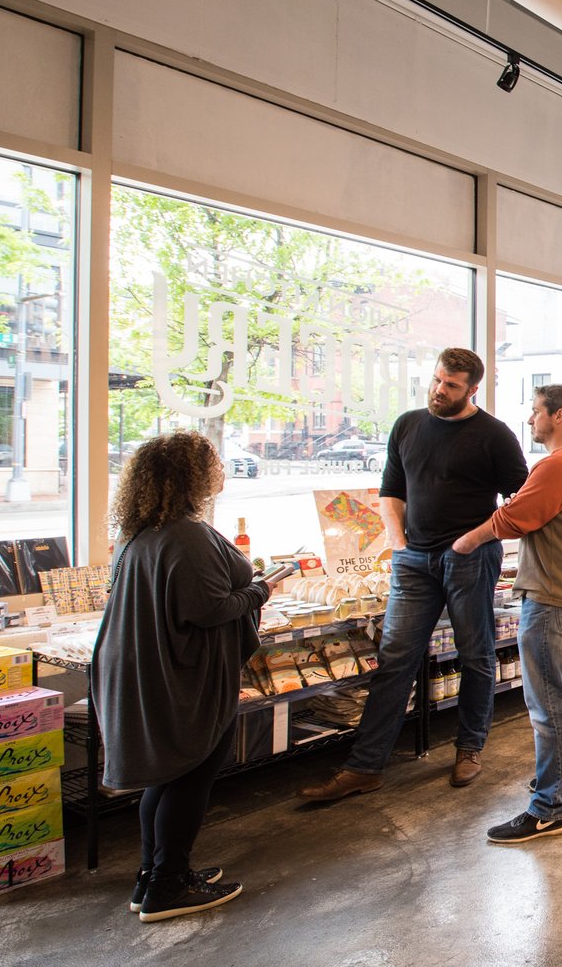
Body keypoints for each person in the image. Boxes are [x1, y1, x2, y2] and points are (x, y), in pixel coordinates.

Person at [301, 348, 529, 801]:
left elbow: (521, 500)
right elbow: (391, 489)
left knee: (476, 656)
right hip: (413, 561)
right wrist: (400, 545)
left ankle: (469, 748)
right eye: (437, 380)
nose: (439, 390)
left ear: (472, 390)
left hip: (469, 560)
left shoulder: (494, 435)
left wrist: (476, 538)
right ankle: (365, 767)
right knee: (395, 661)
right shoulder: (408, 424)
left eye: (450, 385)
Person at [93, 432, 275, 922]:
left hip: (142, 665)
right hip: (178, 674)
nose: (221, 471)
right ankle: (169, 886)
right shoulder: (186, 535)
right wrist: (262, 590)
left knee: (166, 775)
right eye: (213, 464)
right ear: (194, 476)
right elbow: (209, 608)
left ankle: (153, 876)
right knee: (191, 773)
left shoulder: (141, 531)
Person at [451, 383, 562, 844]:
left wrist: (467, 541)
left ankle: (551, 807)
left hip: (552, 597)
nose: (530, 420)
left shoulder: (560, 462)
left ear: (558, 416)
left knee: (548, 704)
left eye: (536, 412)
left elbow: (518, 516)